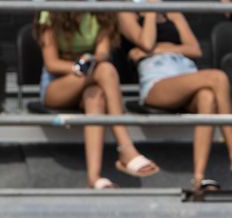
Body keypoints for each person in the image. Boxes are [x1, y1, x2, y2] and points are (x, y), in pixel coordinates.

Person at [38, 11, 161, 189]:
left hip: (90, 77)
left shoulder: (103, 12)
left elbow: (102, 53)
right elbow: (52, 63)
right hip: (57, 85)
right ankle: (126, 149)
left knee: (96, 97)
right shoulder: (49, 11)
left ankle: (94, 178)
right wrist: (79, 67)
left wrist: (91, 61)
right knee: (105, 70)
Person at [119, 4, 232, 194]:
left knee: (208, 97)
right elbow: (145, 42)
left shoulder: (172, 10)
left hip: (185, 70)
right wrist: (150, 11)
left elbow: (195, 49)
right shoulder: (125, 13)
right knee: (218, 78)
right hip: (157, 78)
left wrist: (160, 48)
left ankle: (198, 177)